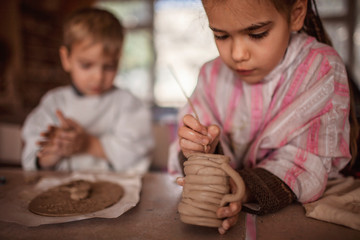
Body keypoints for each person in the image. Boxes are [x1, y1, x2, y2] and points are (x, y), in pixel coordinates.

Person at [168, 0, 358, 234]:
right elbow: (190, 145)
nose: (237, 54)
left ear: (296, 14)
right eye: (221, 36)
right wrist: (201, 151)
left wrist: (241, 187)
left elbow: (308, 163)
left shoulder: (320, 67)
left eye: (257, 34)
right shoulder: (211, 75)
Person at [21, 8, 154, 174]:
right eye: (86, 65)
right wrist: (56, 149)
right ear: (66, 58)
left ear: (118, 61)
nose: (98, 77)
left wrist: (87, 144)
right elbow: (32, 159)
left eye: (109, 66)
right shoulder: (53, 102)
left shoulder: (128, 104)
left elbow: (137, 153)